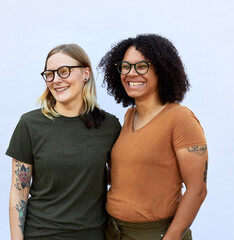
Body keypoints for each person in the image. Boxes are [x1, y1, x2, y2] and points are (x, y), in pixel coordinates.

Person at [98, 34, 208, 240]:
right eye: (125, 66)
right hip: (112, 231)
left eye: (142, 66)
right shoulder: (130, 116)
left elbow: (197, 190)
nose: (131, 73)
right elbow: (125, 175)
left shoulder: (180, 118)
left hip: (154, 234)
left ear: (161, 70)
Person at [7, 43, 121, 240]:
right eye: (49, 74)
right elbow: (19, 192)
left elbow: (121, 178)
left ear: (86, 74)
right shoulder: (30, 124)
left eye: (64, 71)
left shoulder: (109, 126)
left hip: (93, 235)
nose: (56, 80)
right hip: (41, 235)